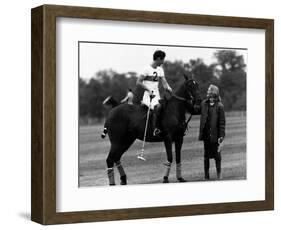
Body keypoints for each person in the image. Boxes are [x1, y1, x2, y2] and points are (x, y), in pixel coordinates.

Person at [136, 50, 172, 136]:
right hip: (148, 97)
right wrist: (148, 90)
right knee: (158, 107)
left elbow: (164, 82)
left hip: (157, 96)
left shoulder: (160, 70)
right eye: (163, 60)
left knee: (167, 107)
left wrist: (168, 88)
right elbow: (138, 82)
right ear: (159, 59)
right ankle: (156, 129)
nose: (163, 62)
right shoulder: (146, 69)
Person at [198, 84, 225, 180]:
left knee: (217, 156)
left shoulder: (220, 106)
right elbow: (195, 110)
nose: (207, 91)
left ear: (213, 92)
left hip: (215, 135)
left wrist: (221, 138)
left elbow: (222, 124)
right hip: (206, 135)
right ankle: (206, 175)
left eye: (209, 90)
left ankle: (219, 173)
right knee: (206, 156)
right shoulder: (203, 104)